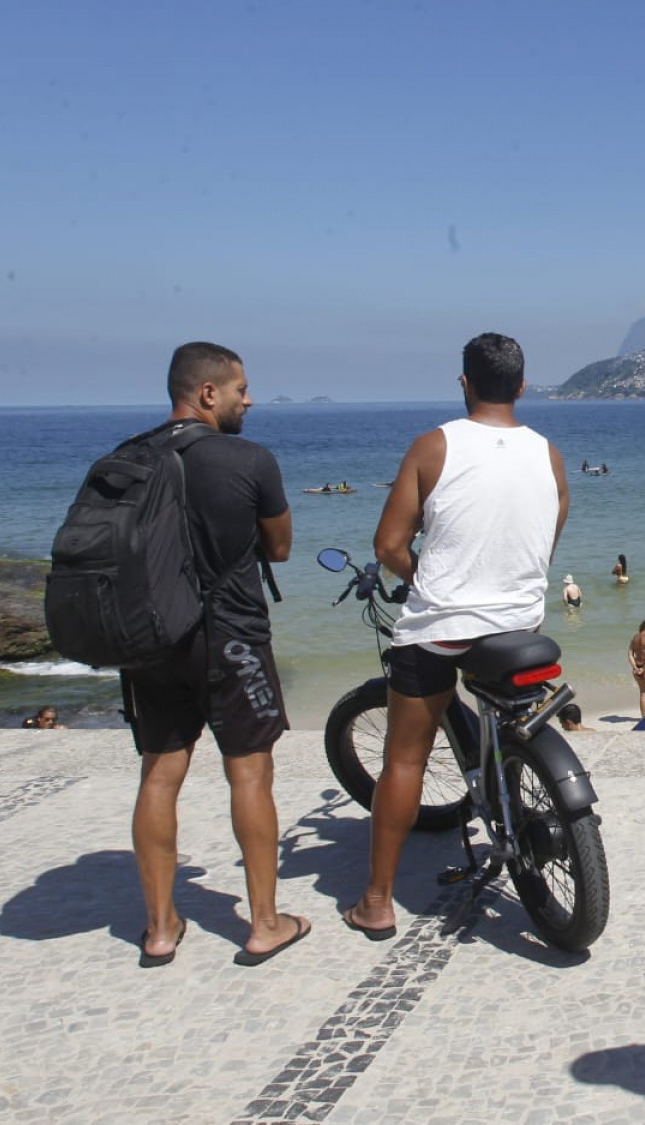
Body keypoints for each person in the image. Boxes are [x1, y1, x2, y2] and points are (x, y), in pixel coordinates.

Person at [343, 334, 568, 942]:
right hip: (521, 622)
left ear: (464, 383)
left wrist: (428, 580)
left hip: (441, 628)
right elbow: (548, 533)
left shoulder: (433, 446)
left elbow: (389, 546)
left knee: (404, 758)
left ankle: (376, 902)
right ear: (521, 386)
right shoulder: (547, 453)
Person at [120, 342, 305, 968]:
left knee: (159, 772)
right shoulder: (248, 458)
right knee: (249, 772)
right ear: (207, 394)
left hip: (151, 638)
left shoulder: (130, 457)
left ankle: (160, 928)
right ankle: (264, 923)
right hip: (231, 633)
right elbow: (278, 549)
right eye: (240, 389)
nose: (248, 400)